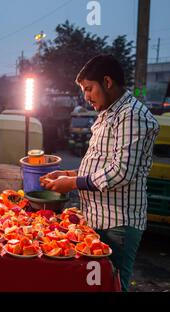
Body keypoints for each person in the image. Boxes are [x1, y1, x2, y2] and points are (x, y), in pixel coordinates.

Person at [40, 54, 160, 292]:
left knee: (114, 284)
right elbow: (102, 164)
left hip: (119, 223)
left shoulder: (132, 115)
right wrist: (66, 173)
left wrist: (72, 182)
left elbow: (121, 172)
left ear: (107, 82)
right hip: (98, 218)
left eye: (89, 89)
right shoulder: (109, 113)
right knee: (97, 285)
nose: (85, 96)